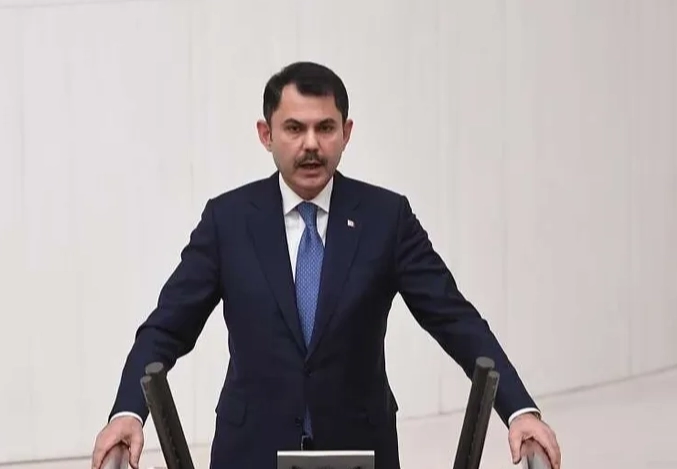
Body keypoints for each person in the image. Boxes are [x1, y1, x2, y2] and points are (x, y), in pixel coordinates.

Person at [91, 61, 561, 469]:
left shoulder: (386, 218)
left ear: (346, 133)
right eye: (294, 128)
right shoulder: (228, 221)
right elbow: (166, 328)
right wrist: (127, 413)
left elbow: (454, 319)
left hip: (359, 449)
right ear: (266, 134)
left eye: (326, 128)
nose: (311, 144)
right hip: (251, 451)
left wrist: (519, 411)